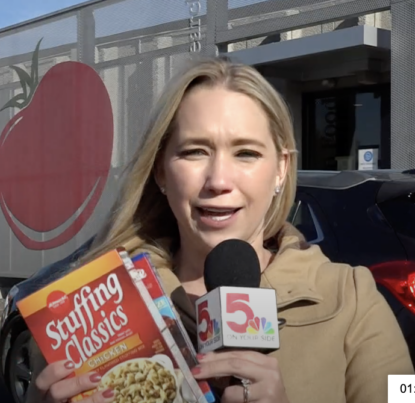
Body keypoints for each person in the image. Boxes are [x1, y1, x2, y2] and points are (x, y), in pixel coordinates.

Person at [24, 56, 414, 403]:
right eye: (195, 151)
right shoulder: (89, 317)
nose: (218, 179)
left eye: (246, 152)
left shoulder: (355, 299)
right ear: (161, 169)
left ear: (280, 169)